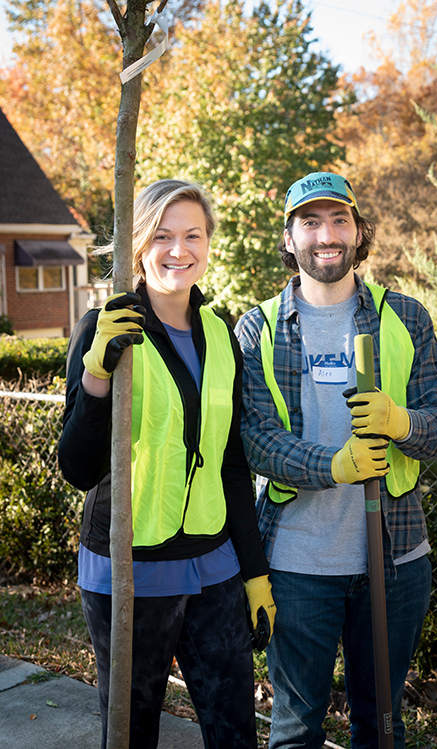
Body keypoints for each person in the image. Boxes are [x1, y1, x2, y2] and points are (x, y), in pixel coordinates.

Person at [234, 172, 437, 749]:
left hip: (396, 559)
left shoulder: (405, 317)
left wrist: (401, 422)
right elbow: (256, 439)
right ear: (289, 239)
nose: (326, 235)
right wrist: (338, 465)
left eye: (339, 220)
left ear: (360, 232)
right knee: (294, 730)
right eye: (309, 222)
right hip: (296, 564)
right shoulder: (257, 329)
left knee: (382, 725)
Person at [58, 178, 276, 749]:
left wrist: (255, 574)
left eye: (192, 235)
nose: (178, 249)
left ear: (208, 244)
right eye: (161, 235)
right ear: (137, 244)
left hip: (215, 564)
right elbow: (78, 468)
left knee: (235, 731)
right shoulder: (104, 328)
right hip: (130, 567)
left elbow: (230, 464)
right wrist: (97, 374)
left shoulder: (220, 333)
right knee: (132, 733)